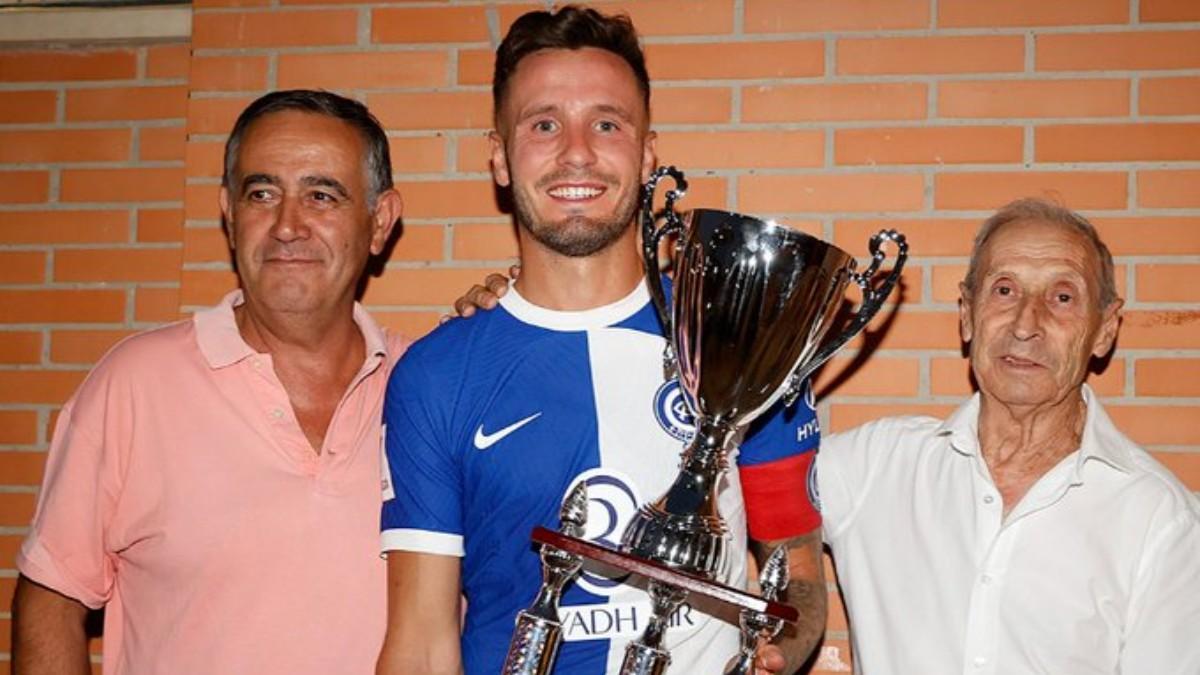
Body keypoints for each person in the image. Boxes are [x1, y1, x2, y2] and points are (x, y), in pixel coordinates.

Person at [375, 7, 826, 675]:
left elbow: (802, 574)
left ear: (648, 154)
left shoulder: (743, 343)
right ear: (500, 156)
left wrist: (776, 651)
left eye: (607, 123)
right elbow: (419, 643)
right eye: (544, 124)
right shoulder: (433, 376)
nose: (577, 151)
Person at [11, 89, 406, 674]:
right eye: (262, 193)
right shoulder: (134, 385)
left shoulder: (431, 387)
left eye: (321, 195)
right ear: (229, 212)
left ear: (379, 222)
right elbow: (50, 598)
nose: (287, 225)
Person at [819, 198, 1200, 674]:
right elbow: (733, 477)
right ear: (966, 313)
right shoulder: (876, 467)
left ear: (1104, 330)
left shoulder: (1160, 520)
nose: (1025, 325)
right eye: (1004, 291)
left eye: (1062, 298)